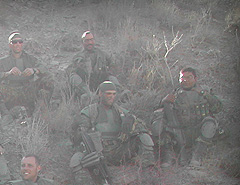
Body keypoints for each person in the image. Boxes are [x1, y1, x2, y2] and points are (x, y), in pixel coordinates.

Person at [70, 81, 155, 184]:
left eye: (114, 94)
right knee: (76, 159)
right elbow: (77, 136)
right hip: (98, 153)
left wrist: (131, 119)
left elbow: (142, 127)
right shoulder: (89, 112)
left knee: (144, 138)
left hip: (119, 150)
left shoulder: (122, 112)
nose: (111, 97)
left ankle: (149, 175)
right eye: (108, 93)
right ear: (100, 94)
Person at [150, 67, 223, 169]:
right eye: (183, 78)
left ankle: (197, 157)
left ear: (195, 79)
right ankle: (167, 157)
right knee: (159, 125)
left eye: (189, 77)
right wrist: (163, 101)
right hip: (179, 131)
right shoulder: (174, 93)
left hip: (198, 130)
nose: (186, 80)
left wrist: (204, 94)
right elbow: (155, 111)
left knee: (210, 123)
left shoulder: (204, 91)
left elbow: (218, 108)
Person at [0, 31, 54, 116]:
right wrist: (8, 73)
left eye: (20, 42)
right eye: (14, 42)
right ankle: (5, 115)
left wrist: (34, 70)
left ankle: (41, 112)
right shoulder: (3, 61)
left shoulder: (31, 59)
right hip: (10, 92)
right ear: (10, 45)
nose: (18, 44)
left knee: (48, 80)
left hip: (27, 90)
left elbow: (45, 70)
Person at [66, 31, 121, 101]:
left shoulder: (102, 54)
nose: (90, 42)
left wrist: (109, 73)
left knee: (112, 78)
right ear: (82, 42)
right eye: (87, 41)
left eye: (91, 40)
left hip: (102, 84)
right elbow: (70, 71)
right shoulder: (78, 57)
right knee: (74, 77)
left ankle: (119, 96)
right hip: (86, 86)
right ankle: (91, 96)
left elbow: (113, 64)